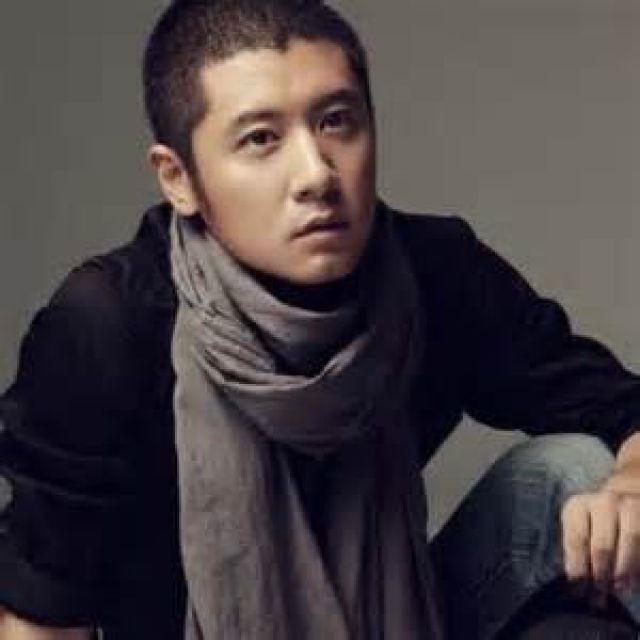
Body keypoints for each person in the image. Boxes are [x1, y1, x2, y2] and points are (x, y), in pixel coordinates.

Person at [1, 0, 640, 638]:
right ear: (179, 180)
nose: (316, 174)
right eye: (261, 139)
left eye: (336, 122)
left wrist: (629, 493)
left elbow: (621, 409)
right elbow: (40, 621)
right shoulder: (110, 324)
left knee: (577, 470)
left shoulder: (433, 271)